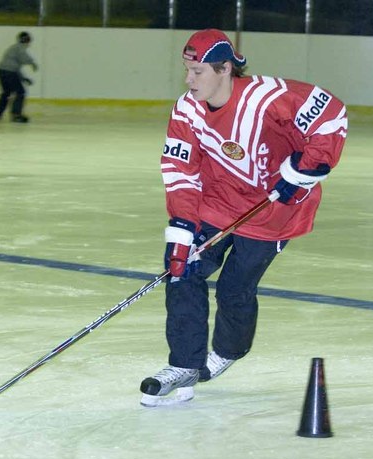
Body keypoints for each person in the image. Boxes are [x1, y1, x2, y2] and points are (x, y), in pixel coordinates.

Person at [139, 29, 348, 406]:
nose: (189, 80)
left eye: (198, 71)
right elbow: (179, 168)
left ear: (224, 70)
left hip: (273, 212)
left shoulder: (269, 98)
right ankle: (185, 364)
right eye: (186, 70)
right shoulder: (187, 109)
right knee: (182, 270)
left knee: (235, 287)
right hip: (216, 205)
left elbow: (331, 114)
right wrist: (183, 227)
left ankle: (228, 349)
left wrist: (302, 171)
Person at [0, 32, 38, 123]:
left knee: (6, 94)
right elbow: (22, 58)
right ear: (27, 40)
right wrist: (32, 62)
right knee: (20, 92)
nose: (29, 44)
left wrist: (24, 78)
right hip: (9, 72)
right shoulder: (20, 47)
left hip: (1, 71)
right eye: (28, 41)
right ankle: (16, 115)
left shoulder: (13, 48)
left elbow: (15, 68)